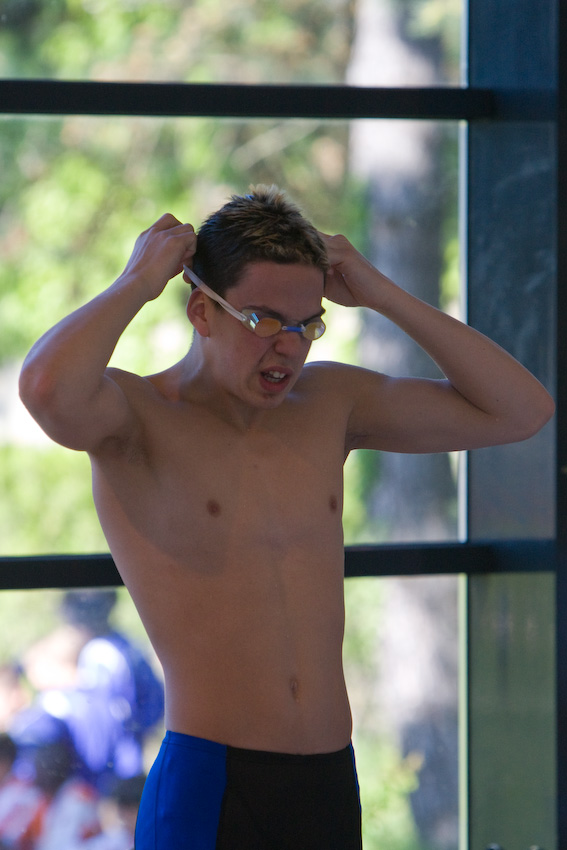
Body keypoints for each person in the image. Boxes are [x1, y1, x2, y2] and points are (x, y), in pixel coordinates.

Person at [18, 185, 555, 849]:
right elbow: (46, 388)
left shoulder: (329, 404)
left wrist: (380, 292)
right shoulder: (139, 419)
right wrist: (137, 282)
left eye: (307, 325)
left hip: (328, 780)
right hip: (212, 784)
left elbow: (521, 410)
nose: (289, 348)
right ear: (201, 311)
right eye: (264, 321)